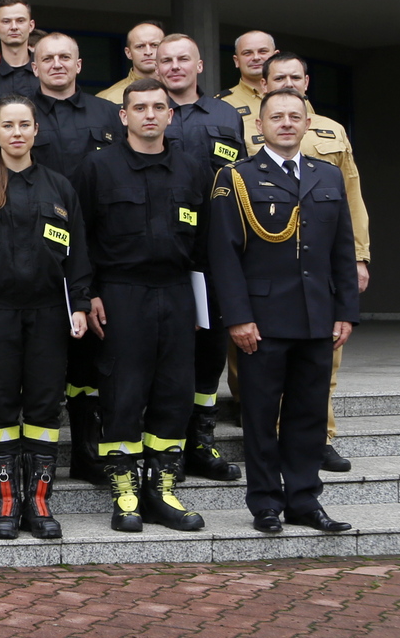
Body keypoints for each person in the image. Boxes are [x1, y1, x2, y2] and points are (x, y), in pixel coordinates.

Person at [207, 87, 359, 534]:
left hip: (317, 318)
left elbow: (342, 250)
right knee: (259, 416)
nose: (287, 123)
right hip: (262, 320)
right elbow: (224, 255)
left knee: (309, 415)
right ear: (260, 125)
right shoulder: (236, 177)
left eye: (296, 116)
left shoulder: (327, 176)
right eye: (278, 117)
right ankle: (266, 504)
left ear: (308, 124)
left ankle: (304, 501)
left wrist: (345, 311)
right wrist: (237, 317)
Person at [0, 96, 91, 540]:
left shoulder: (59, 187)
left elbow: (78, 255)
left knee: (45, 407)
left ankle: (39, 502)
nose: (16, 132)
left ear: (36, 131)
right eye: (7, 125)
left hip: (49, 314)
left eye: (24, 124)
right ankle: (7, 504)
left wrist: (80, 305)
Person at [77, 78, 210, 535]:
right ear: (124, 116)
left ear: (170, 116)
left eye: (158, 107)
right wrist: (88, 293)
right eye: (140, 107)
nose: (149, 114)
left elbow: (206, 245)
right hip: (120, 292)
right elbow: (80, 239)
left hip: (176, 292)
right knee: (123, 392)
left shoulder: (192, 169)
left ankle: (163, 489)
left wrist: (202, 306)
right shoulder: (98, 168)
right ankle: (126, 491)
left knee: (175, 392)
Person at [241, 51, 372, 473]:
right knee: (259, 393)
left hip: (316, 296)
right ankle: (266, 498)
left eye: (295, 78)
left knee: (315, 390)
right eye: (279, 78)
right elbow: (229, 245)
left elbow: (349, 210)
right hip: (267, 299)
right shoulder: (241, 149)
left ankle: (314, 463)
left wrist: (360, 260)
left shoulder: (330, 145)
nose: (286, 119)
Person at [26, 33, 120, 481]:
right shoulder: (19, 115)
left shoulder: (106, 115)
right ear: (34, 66)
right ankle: (29, 460)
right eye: (48, 58)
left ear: (79, 64)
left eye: (65, 57)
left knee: (89, 361)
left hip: (94, 252)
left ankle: (88, 451)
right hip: (31, 258)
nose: (57, 64)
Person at [156, 35, 246, 481]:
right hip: (163, 249)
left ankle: (201, 440)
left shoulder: (226, 115)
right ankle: (164, 443)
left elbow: (241, 178)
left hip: (213, 251)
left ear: (200, 66)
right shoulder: (148, 109)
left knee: (209, 353)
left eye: (182, 60)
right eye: (166, 61)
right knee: (165, 351)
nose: (174, 67)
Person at [96, 21, 166, 103]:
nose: (148, 52)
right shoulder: (107, 99)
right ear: (128, 53)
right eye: (140, 46)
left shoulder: (179, 90)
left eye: (154, 45)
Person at [0, 0, 40, 95]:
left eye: (20, 20)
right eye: (6, 21)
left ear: (31, 26)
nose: (14, 27)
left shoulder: (45, 69)